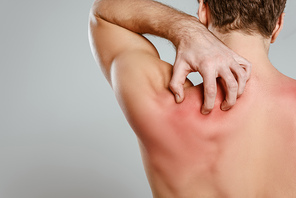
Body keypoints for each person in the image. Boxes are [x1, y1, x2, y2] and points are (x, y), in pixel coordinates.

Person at [89, 0, 296, 197]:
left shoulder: (161, 101)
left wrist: (186, 28)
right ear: (278, 24)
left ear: (203, 11)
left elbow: (102, 14)